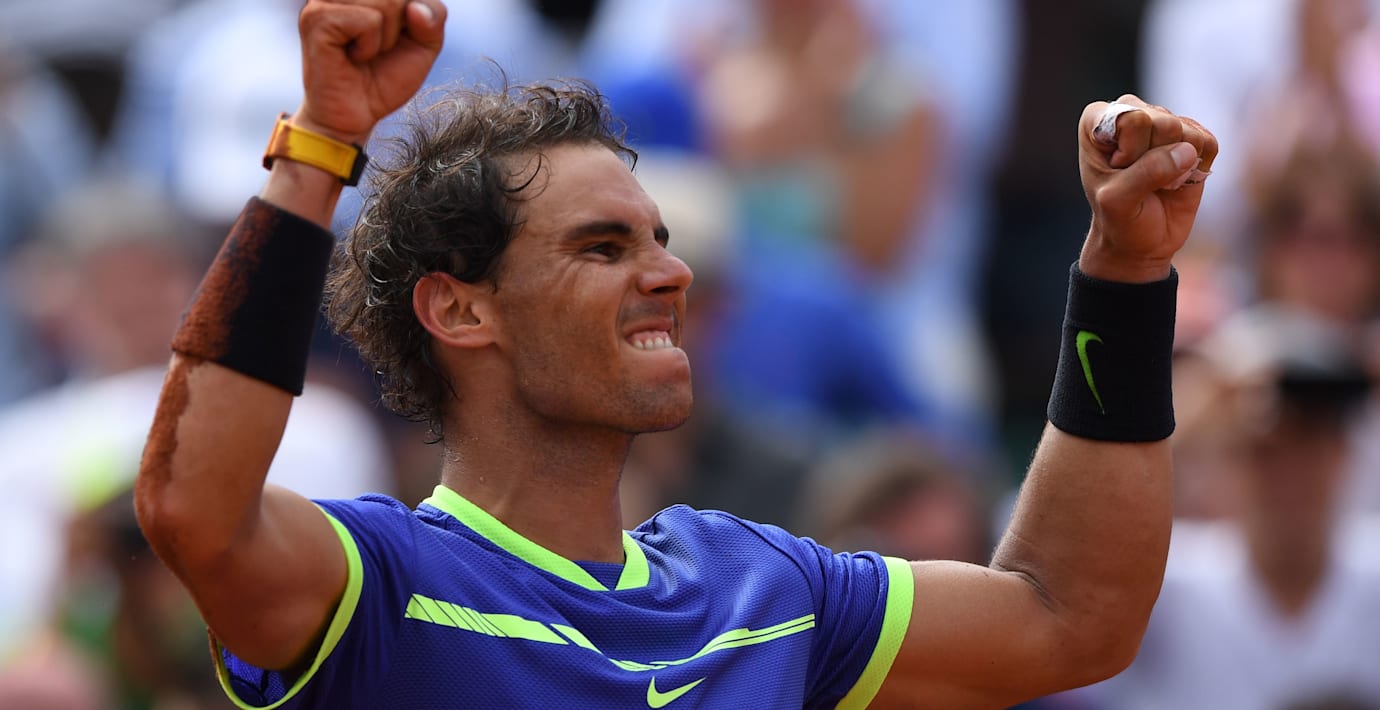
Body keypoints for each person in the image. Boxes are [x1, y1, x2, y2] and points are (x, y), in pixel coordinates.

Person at [132, 0, 1217, 707]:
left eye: (661, 239)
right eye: (603, 248)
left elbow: (1071, 616)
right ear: (460, 312)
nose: (672, 272)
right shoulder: (383, 584)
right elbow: (194, 510)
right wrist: (321, 142)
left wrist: (1125, 271)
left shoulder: (767, 587)